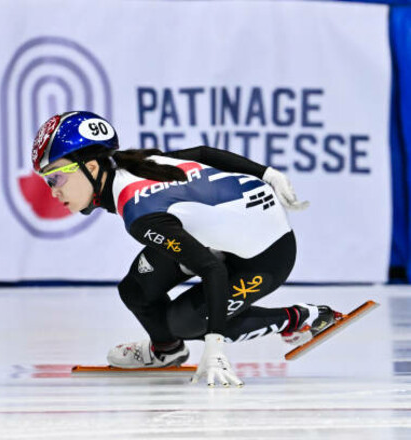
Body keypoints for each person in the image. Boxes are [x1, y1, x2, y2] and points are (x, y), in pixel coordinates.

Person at [31, 111, 339, 387]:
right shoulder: (141, 165)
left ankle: (301, 318)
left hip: (265, 256)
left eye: (56, 176)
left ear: (93, 167)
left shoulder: (140, 213)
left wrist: (214, 349)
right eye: (47, 181)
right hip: (219, 241)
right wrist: (266, 173)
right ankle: (166, 350)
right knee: (135, 289)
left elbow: (211, 269)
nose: (53, 190)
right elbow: (204, 153)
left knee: (186, 322)